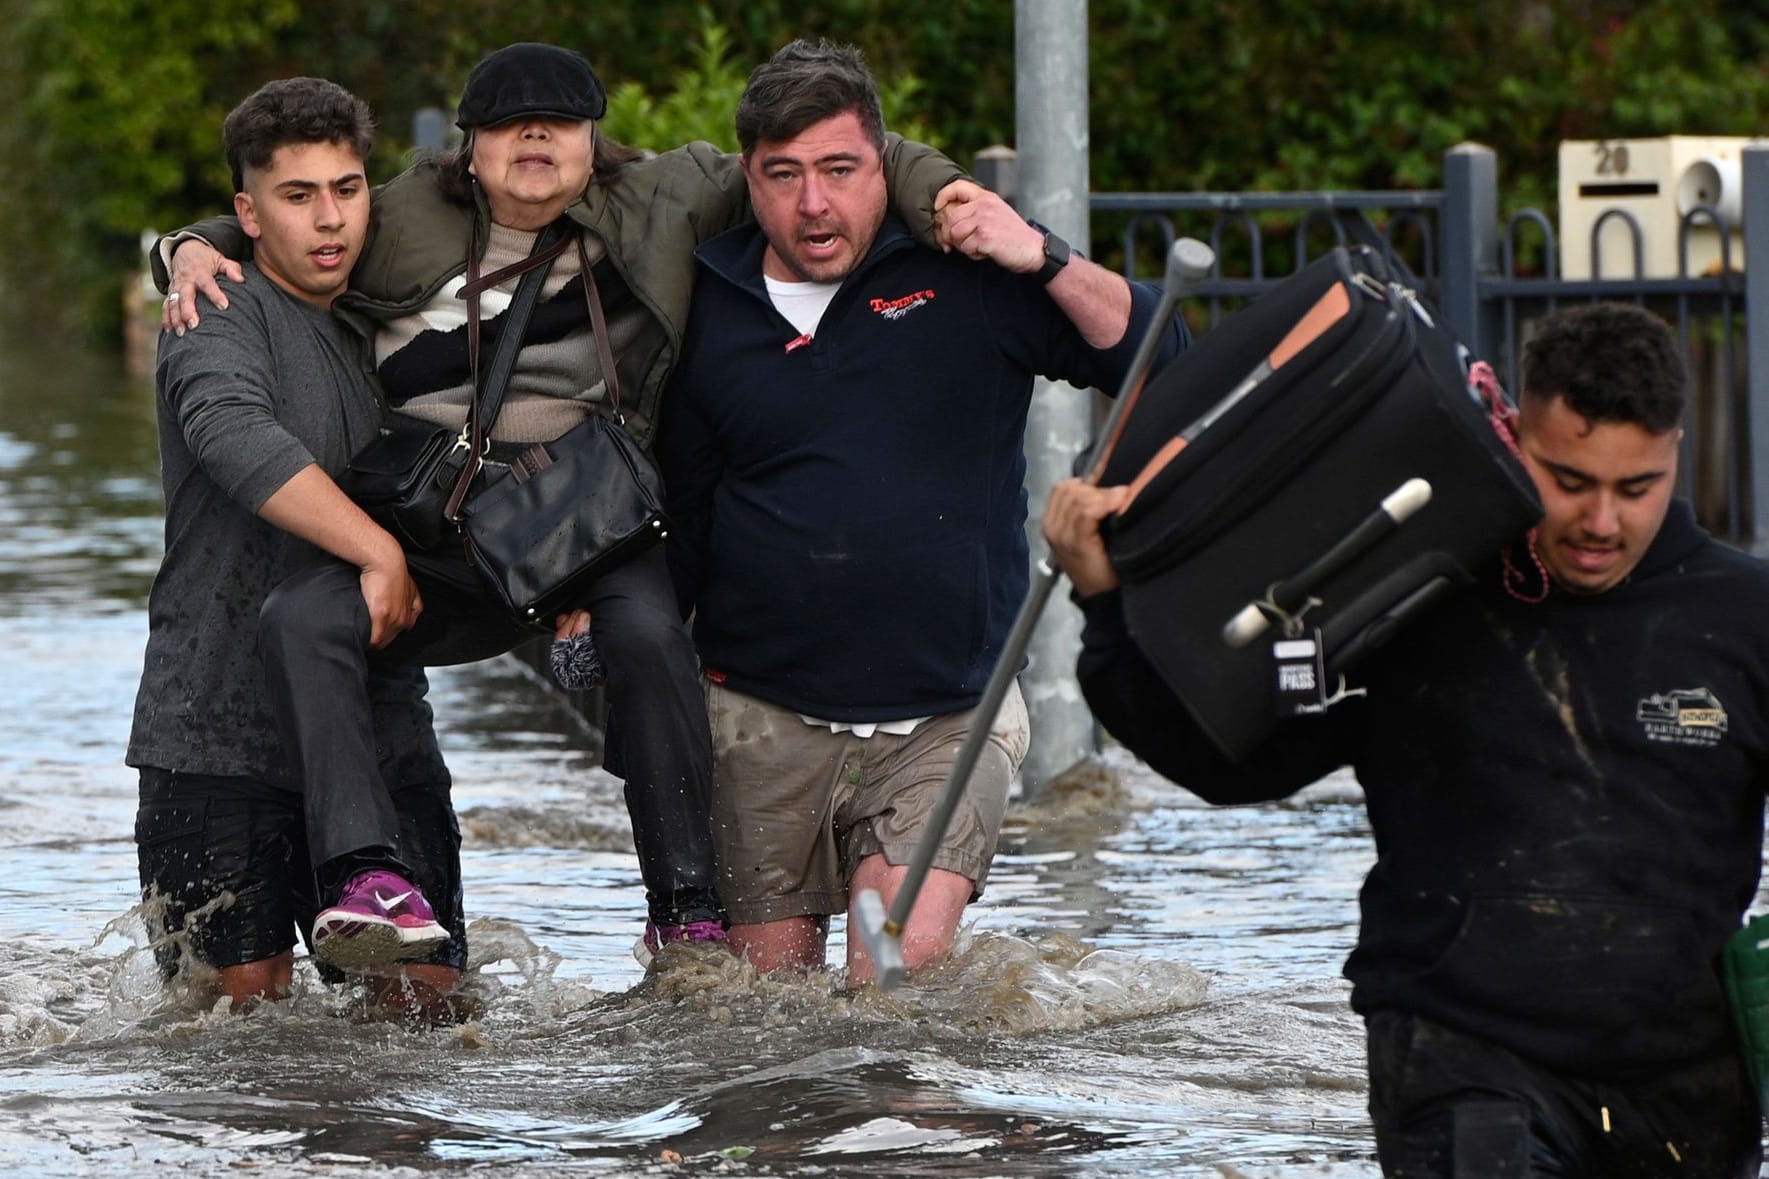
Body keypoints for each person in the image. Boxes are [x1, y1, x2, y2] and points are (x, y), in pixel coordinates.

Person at [158, 42, 972, 962]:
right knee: (302, 611)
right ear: (469, 148)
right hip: (433, 521)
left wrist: (948, 197)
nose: (534, 137)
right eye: (508, 125)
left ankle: (684, 902)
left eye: (560, 122)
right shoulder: (395, 214)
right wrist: (186, 249)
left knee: (652, 633)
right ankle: (363, 873)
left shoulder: (666, 195)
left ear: (595, 141)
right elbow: (292, 210)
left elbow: (848, 153)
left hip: (580, 518)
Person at [1044, 302, 1768, 1175]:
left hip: (1684, 1087)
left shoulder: (1745, 616)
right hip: (1462, 1058)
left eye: (1634, 487)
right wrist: (1106, 612)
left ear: (1675, 451)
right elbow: (1230, 760)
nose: (1600, 523)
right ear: (1514, 432)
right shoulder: (1416, 587)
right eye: (1568, 480)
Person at [659, 39, 1188, 983]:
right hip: (757, 718)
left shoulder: (968, 275)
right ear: (749, 176)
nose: (812, 203)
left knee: (887, 987)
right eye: (783, 175)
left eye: (838, 170)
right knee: (758, 1030)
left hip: (948, 713)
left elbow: (1157, 353)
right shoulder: (707, 297)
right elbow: (686, 515)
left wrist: (1043, 253)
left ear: (883, 164)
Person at [130, 76, 466, 1017]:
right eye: (297, 195)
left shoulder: (387, 314)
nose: (331, 219)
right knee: (237, 1034)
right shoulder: (216, 308)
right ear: (249, 211)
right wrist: (377, 552)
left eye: (348, 189)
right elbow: (230, 428)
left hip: (381, 721)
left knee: (429, 1013)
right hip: (215, 732)